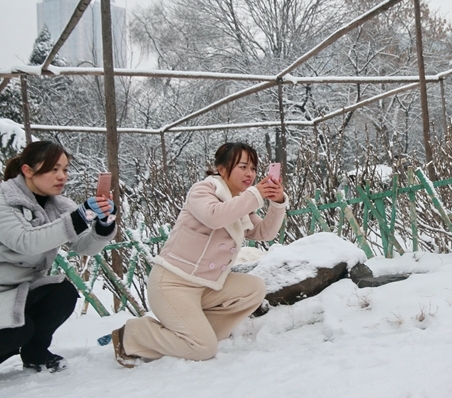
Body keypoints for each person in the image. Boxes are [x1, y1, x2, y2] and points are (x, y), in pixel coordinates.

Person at [112, 142, 288, 367]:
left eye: (253, 168)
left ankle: (198, 336)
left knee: (254, 289)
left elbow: (264, 232)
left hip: (206, 286)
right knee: (203, 349)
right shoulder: (203, 190)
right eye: (243, 167)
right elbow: (214, 216)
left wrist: (278, 202)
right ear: (222, 169)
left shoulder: (241, 203)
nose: (250, 174)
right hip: (173, 284)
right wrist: (254, 194)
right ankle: (133, 335)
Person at [0, 141, 117, 373]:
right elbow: (25, 241)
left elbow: (83, 246)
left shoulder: (59, 205)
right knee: (18, 330)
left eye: (65, 169)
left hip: (22, 288)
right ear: (28, 170)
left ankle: (36, 355)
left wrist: (103, 226)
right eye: (53, 169)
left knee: (62, 293)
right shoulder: (4, 199)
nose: (61, 176)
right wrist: (79, 217)